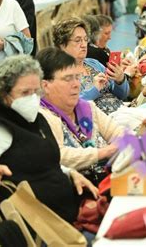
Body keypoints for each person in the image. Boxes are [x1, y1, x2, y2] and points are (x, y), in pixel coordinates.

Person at [0, 55, 98, 224]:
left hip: (66, 211)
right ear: (3, 93)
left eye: (35, 91)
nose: (32, 98)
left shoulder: (34, 119)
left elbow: (42, 160)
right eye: (25, 92)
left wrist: (70, 173)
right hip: (42, 228)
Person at [36, 48, 131, 186]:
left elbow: (117, 132)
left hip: (108, 181)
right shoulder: (42, 116)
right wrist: (103, 153)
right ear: (45, 85)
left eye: (77, 77)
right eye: (68, 79)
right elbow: (59, 155)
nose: (76, 84)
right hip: (77, 192)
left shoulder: (86, 107)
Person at [52, 18, 129, 115]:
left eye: (85, 39)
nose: (84, 45)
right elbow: (68, 106)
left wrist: (120, 80)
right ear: (62, 45)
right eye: (78, 40)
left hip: (122, 112)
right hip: (98, 123)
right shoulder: (59, 73)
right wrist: (94, 90)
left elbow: (122, 95)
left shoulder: (93, 63)